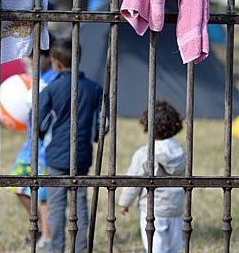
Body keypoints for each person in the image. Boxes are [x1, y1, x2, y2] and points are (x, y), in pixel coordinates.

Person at [38, 39, 103, 253]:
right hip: (82, 155)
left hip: (56, 155)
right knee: (80, 205)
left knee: (56, 205)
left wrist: (42, 136)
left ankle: (55, 248)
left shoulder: (51, 89)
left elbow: (39, 121)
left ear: (55, 63)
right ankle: (82, 248)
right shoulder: (94, 88)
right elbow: (104, 123)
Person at [119, 100, 186, 253]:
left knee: (155, 248)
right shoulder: (180, 151)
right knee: (174, 248)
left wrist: (125, 203)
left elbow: (134, 181)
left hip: (153, 209)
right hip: (176, 207)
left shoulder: (145, 153)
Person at [11, 47, 58, 249]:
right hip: (29, 146)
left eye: (34, 56)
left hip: (46, 148)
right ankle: (38, 228)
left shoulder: (54, 79)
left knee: (44, 195)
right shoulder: (33, 78)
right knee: (18, 184)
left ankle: (47, 238)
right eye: (29, 57)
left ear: (48, 57)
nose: (30, 61)